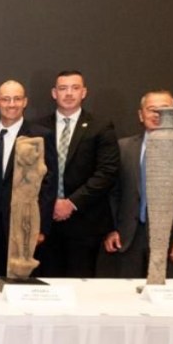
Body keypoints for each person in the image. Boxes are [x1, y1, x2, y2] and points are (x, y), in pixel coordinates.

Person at [99, 90, 173, 277]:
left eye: (165, 109)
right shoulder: (123, 148)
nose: (158, 114)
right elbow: (112, 194)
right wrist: (111, 229)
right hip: (129, 240)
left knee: (167, 294)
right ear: (141, 115)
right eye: (152, 109)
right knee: (126, 294)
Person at [34, 70, 119, 278]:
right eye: (63, 88)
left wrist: (70, 203)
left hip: (85, 222)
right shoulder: (37, 127)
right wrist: (49, 204)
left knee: (80, 284)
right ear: (54, 93)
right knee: (47, 283)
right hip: (45, 222)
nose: (69, 93)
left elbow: (107, 172)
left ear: (84, 92)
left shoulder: (100, 126)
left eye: (75, 88)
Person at [0, 81, 57, 277]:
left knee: (19, 281)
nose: (11, 104)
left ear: (25, 102)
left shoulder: (40, 136)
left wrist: (40, 228)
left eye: (17, 99)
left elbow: (49, 184)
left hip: (22, 225)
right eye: (6, 99)